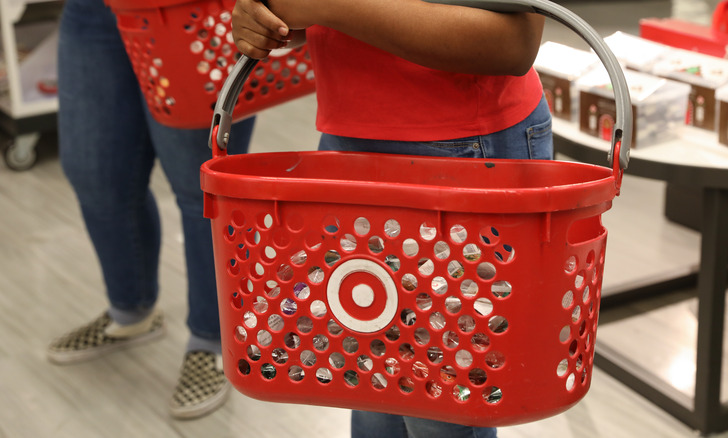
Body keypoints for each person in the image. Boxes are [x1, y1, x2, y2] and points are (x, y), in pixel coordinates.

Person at [231, 1, 551, 437]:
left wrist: (329, 5)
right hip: (350, 138)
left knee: (440, 406)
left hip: (461, 147)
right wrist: (272, 15)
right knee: (368, 377)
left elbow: (514, 41)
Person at [47, 0, 256, 420]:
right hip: (95, 10)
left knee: (200, 184)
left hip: (195, 10)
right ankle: (130, 311)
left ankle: (213, 342)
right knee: (95, 171)